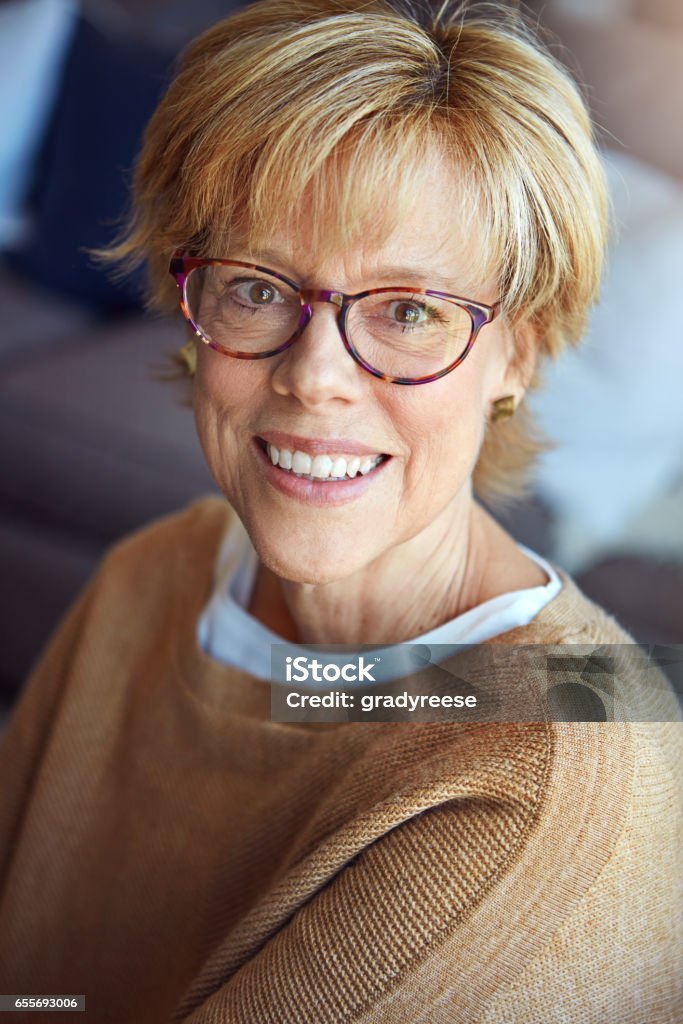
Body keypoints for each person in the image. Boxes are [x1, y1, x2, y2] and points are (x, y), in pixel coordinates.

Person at [0, 1, 680, 1021]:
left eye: (408, 310)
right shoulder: (159, 569)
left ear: (518, 354)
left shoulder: (557, 781)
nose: (315, 377)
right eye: (257, 288)